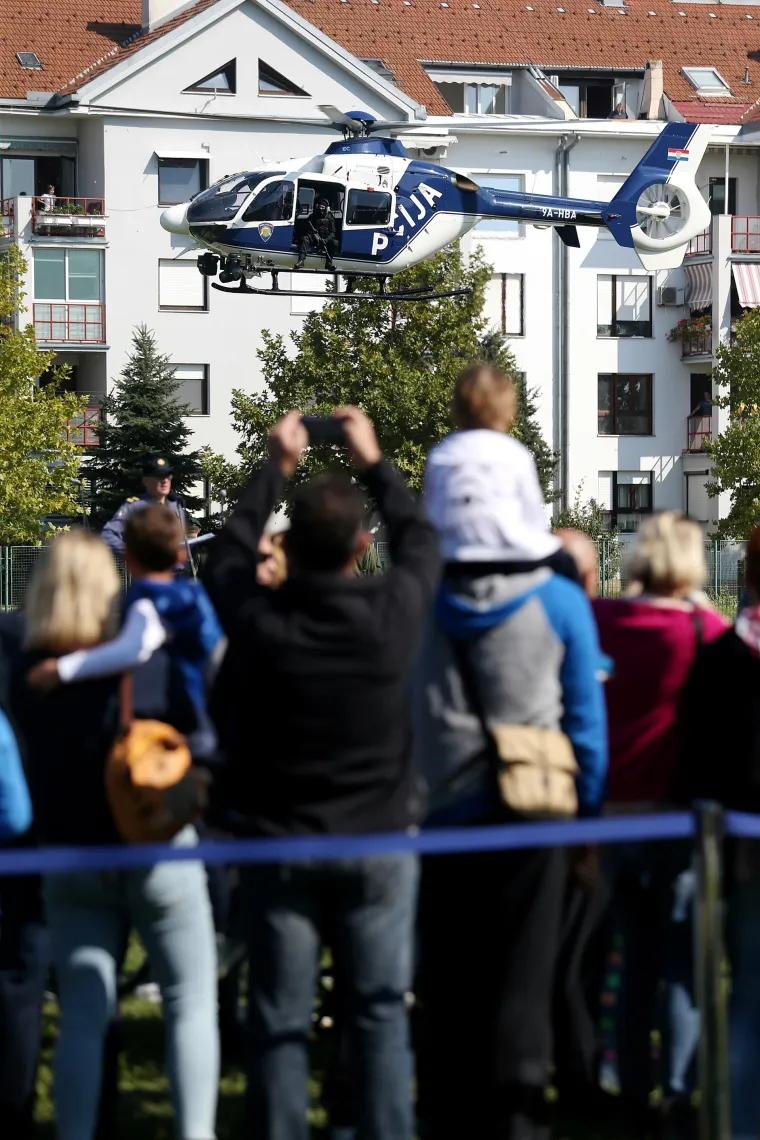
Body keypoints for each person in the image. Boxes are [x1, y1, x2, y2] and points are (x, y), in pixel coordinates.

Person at [204, 406, 440, 1140]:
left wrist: (273, 467)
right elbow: (424, 542)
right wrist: (377, 463)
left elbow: (227, 557)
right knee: (378, 1016)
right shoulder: (394, 614)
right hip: (378, 845)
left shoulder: (263, 622)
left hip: (282, 846)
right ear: (361, 545)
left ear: (292, 549)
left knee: (278, 1021)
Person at [414, 364, 608, 1140]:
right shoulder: (561, 600)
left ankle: (444, 1118)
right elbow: (586, 724)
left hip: (441, 809)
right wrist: (587, 820)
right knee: (523, 988)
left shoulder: (418, 604)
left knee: (448, 983)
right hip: (537, 813)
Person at [15, 530, 220, 1140]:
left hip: (70, 853)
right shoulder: (142, 663)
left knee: (80, 1015)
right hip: (154, 847)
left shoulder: (23, 670)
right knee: (189, 1002)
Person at [592, 512, 728, 1134]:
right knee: (681, 962)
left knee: (631, 955)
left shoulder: (601, 621)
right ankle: (676, 1090)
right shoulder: (706, 630)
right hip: (678, 817)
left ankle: (627, 1087)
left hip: (611, 814)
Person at [683, 524, 760, 1140]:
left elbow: (698, 762)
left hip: (741, 856)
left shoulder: (718, 658)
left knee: (749, 1002)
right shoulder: (720, 657)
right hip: (741, 852)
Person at [101, 456, 188, 556]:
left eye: (168, 476)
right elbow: (107, 535)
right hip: (146, 570)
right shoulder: (135, 507)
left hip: (177, 570)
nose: (165, 480)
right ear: (146, 481)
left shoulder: (175, 506)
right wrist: (135, 555)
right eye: (159, 476)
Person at [295, 197, 338, 271]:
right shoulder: (312, 216)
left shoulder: (330, 218)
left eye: (323, 207)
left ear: (326, 208)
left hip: (325, 240)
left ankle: (329, 263)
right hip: (314, 239)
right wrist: (314, 236)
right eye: (319, 207)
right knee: (305, 238)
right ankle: (301, 261)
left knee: (335, 243)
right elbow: (307, 229)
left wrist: (326, 240)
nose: (321, 209)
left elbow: (333, 233)